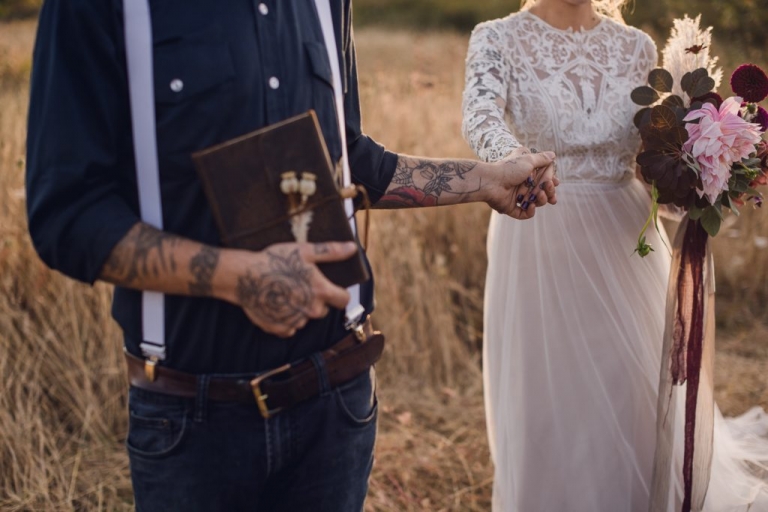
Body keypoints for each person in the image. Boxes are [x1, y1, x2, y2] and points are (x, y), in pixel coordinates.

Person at [25, 1, 558, 511]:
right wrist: (237, 278)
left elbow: (351, 161)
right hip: (194, 422)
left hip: (338, 403)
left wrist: (485, 180)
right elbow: (66, 214)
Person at [462, 0, 768, 510]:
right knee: (553, 398)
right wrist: (514, 160)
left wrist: (703, 170)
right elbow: (479, 116)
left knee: (634, 390)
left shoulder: (636, 45)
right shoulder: (496, 38)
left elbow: (650, 158)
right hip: (537, 226)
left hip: (627, 239)